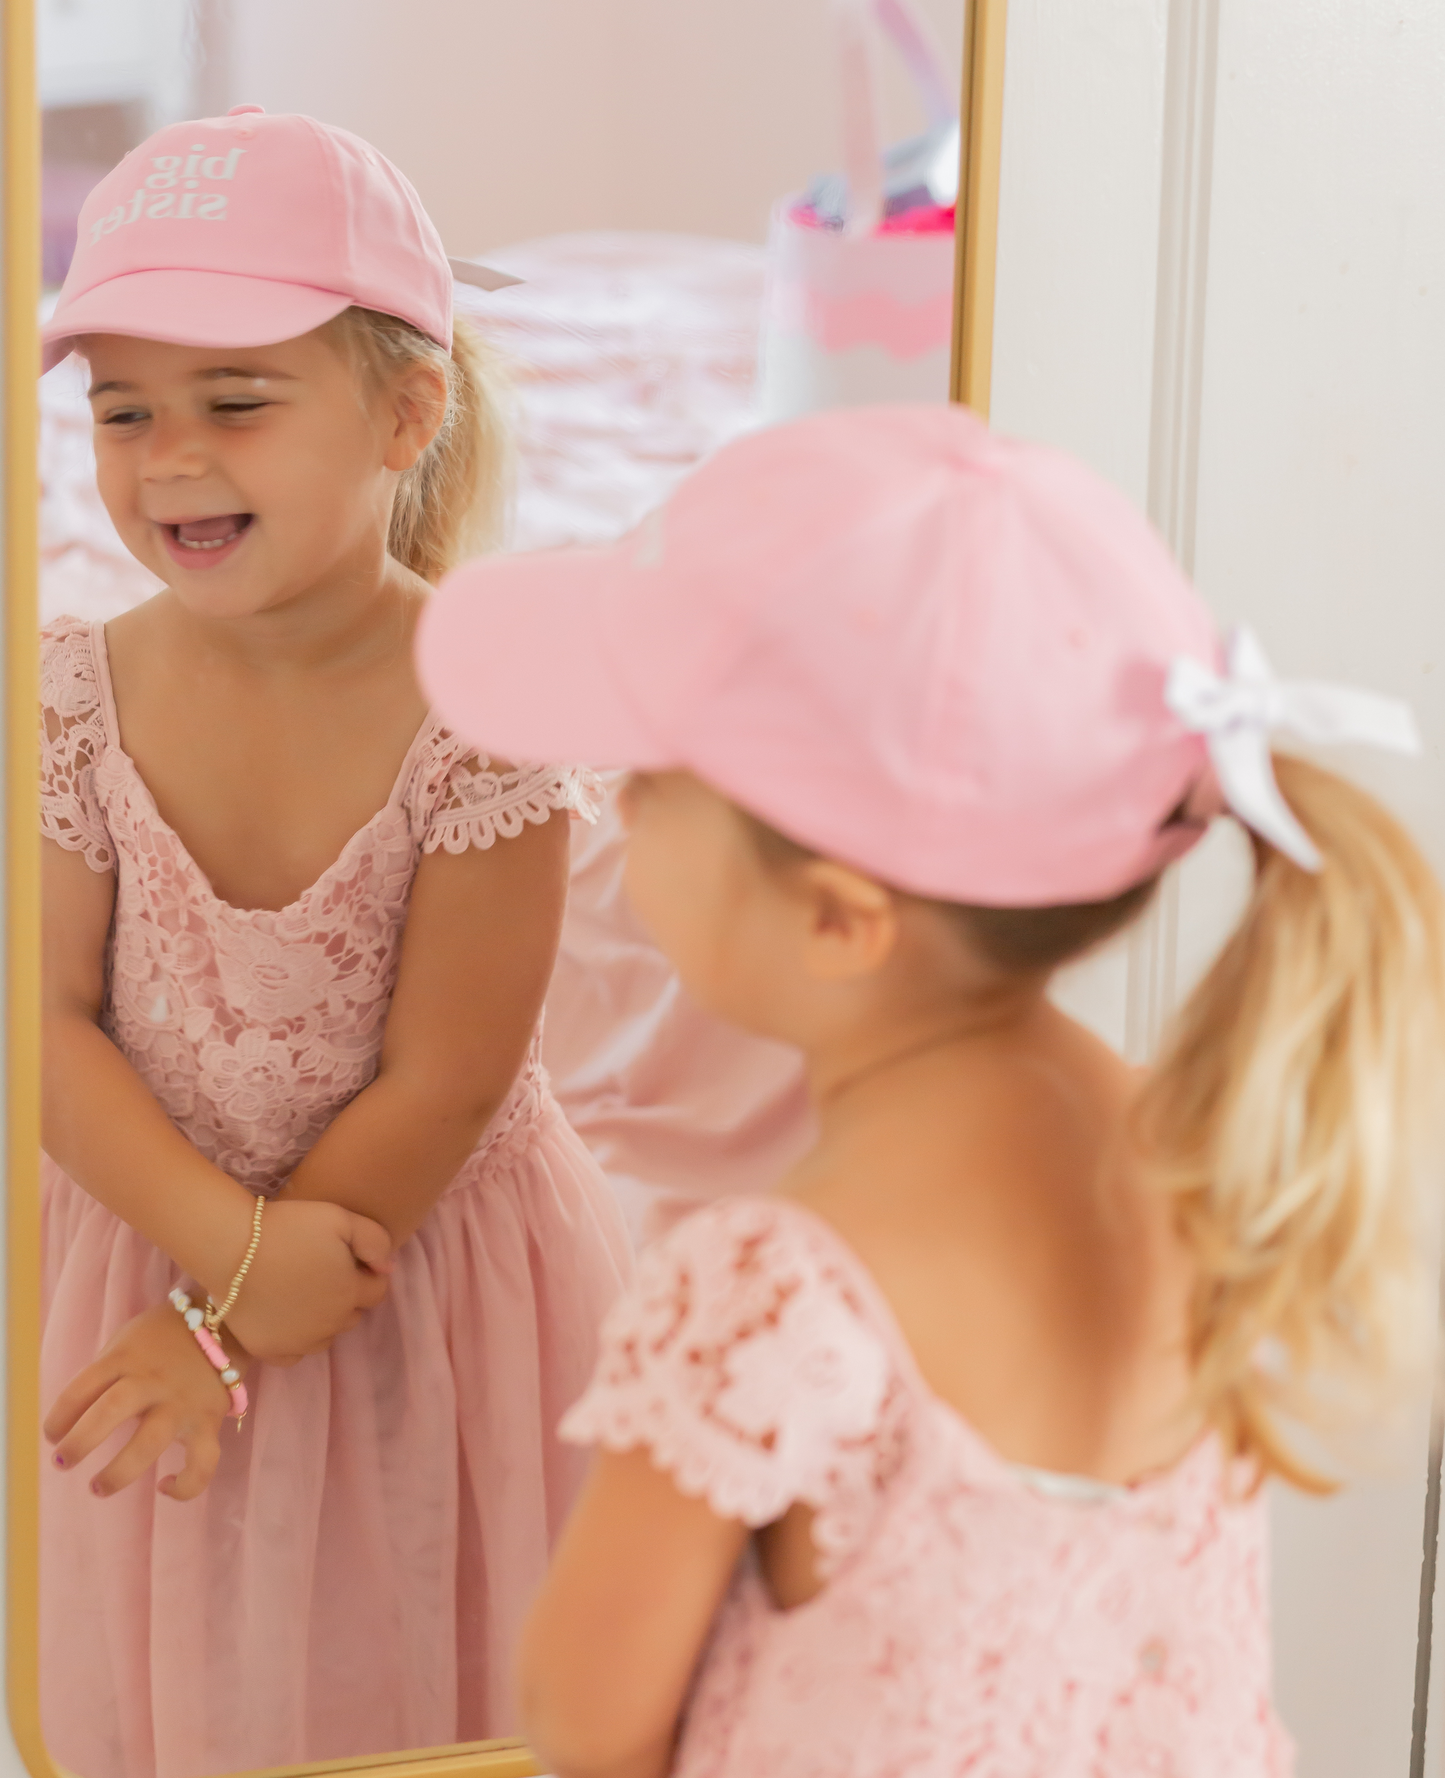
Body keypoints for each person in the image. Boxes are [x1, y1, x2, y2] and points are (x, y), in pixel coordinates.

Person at [417, 405, 1445, 1777]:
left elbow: (585, 1714)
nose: (612, 808)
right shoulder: (1215, 1157)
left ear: (841, 918)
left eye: (652, 781)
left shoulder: (769, 1283)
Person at [38, 107, 631, 1778]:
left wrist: (248, 1303)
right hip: (142, 1238)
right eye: (122, 412)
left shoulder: (482, 704)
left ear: (406, 412)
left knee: (413, 1658)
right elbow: (44, 1020)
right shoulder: (74, 694)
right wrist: (215, 1262)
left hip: (417, 1266)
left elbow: (451, 1073)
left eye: (234, 403)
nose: (167, 460)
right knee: (166, 1663)